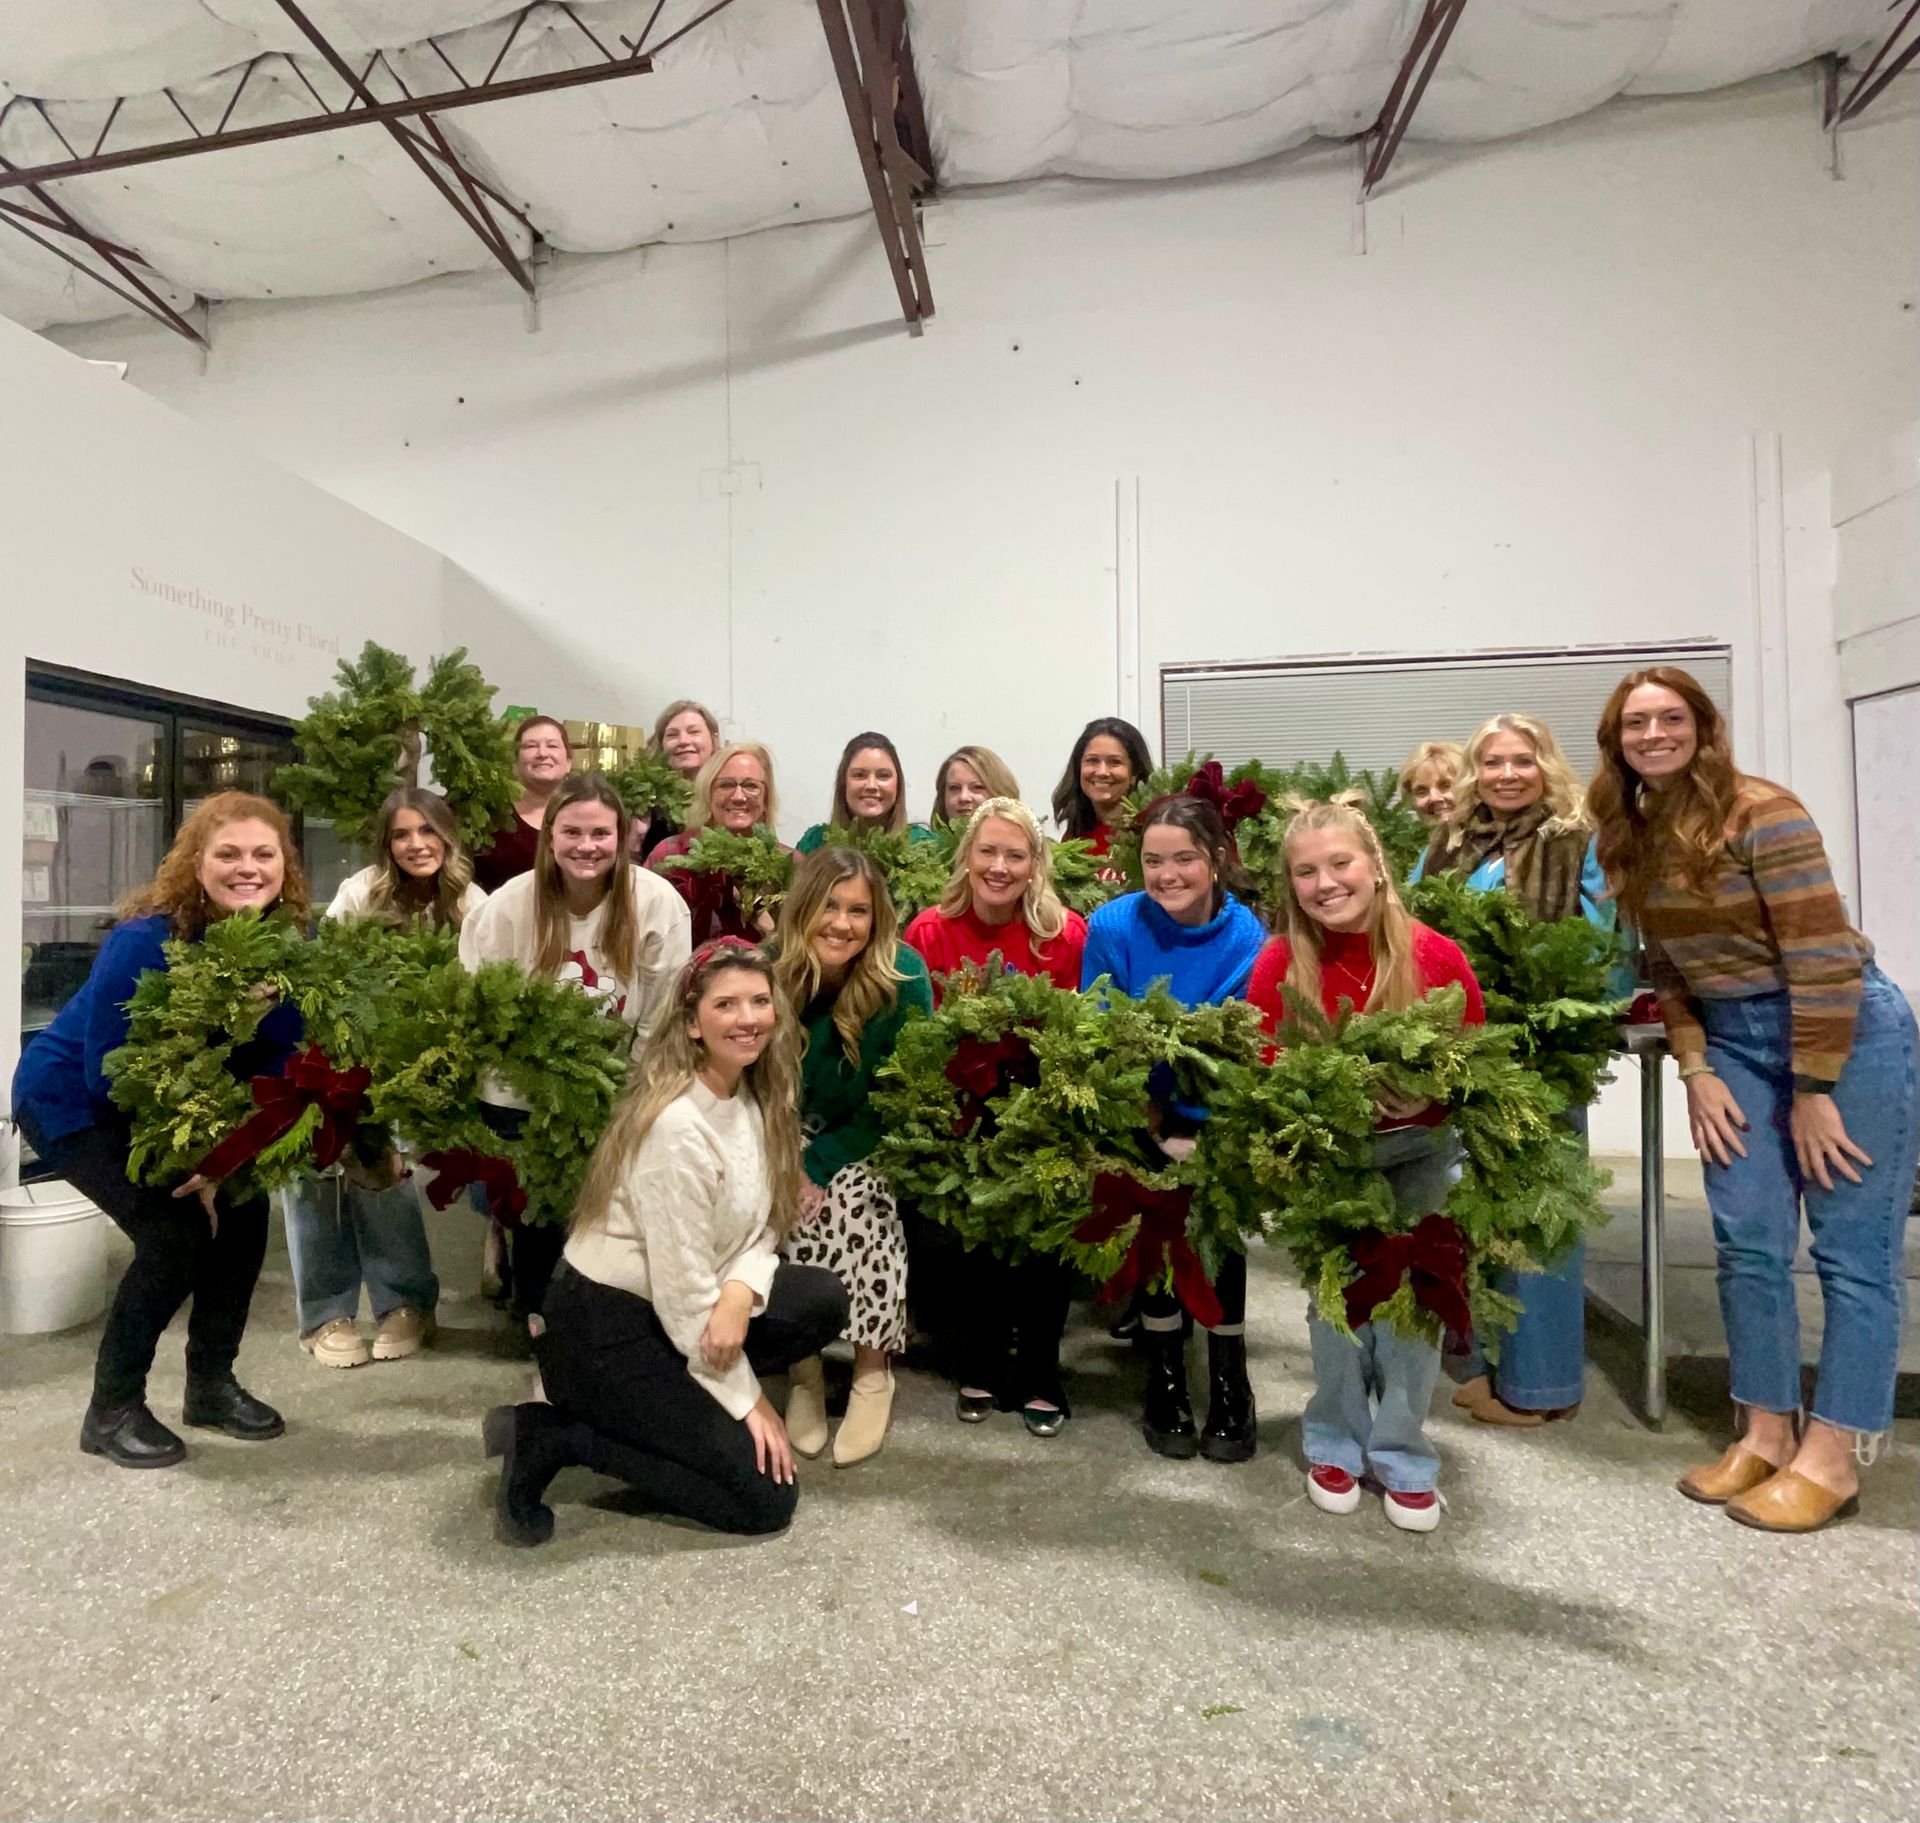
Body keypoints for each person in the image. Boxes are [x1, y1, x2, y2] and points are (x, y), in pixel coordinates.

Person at [1591, 666, 1919, 1533]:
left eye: (1669, 717)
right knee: (1748, 1240)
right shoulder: (1630, 827)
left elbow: (1818, 953)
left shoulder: (1762, 811)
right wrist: (1695, 1068)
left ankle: (1835, 1453)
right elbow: (1665, 967)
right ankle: (1765, 1429)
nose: (1653, 734)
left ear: (1703, 725)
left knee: (1854, 1253)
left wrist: (1814, 1088)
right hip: (1729, 1038)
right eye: (1635, 723)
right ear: (1615, 740)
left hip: (1842, 1028)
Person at [485, 940, 849, 1544]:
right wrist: (748, 1401)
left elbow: (766, 1226)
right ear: (692, 1023)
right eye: (726, 1004)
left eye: (760, 1001)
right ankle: (558, 1433)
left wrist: (739, 1291)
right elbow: (684, 1306)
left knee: (819, 1298)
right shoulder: (677, 1127)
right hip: (605, 1327)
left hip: (687, 1302)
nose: (748, 1018)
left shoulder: (753, 1097)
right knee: (765, 1500)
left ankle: (669, 1412)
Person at [10, 793, 307, 1469]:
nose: (246, 867)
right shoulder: (146, 941)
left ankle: (210, 1385)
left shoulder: (284, 954)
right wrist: (189, 1163)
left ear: (284, 867)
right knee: (173, 1233)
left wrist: (228, 1157)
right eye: (227, 853)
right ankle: (111, 1409)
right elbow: (110, 1075)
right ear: (195, 862)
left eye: (264, 854)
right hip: (72, 1101)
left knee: (244, 1210)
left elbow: (281, 1063)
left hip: (192, 1111)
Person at [1247, 797, 1485, 1534]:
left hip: (1421, 1153)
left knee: (1415, 1304)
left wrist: (1422, 1092)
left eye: (1340, 863)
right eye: (1306, 871)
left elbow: (1476, 1059)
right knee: (1337, 1302)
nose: (1326, 883)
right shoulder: (1283, 962)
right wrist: (1329, 1100)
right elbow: (1262, 1057)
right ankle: (1334, 1437)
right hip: (1334, 1160)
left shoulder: (1434, 955)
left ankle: (1405, 1450)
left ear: (1377, 866)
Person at [1415, 713, 1612, 1426]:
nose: (1505, 774)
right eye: (1492, 762)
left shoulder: (1576, 841)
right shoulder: (1452, 842)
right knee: (1483, 1208)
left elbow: (1599, 943)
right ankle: (1503, 1366)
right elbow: (1414, 925)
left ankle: (1543, 1386)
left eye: (1521, 760)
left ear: (1546, 766)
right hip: (1465, 1048)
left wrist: (1556, 1012)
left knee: (1540, 1211)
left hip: (1539, 1047)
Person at [459, 772, 692, 1322]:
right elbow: (480, 1002)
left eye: (600, 834)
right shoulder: (508, 906)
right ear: (550, 836)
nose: (587, 847)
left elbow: (663, 1012)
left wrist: (628, 1093)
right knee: (540, 1220)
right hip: (524, 1088)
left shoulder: (657, 903)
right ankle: (543, 1335)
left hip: (618, 1084)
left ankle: (608, 1329)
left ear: (623, 836)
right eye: (572, 832)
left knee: (609, 1220)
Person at [1080, 795, 1268, 1461]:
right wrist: (1147, 1116)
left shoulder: (1250, 938)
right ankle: (1163, 1369)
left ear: (1216, 859)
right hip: (1138, 1111)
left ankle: (1228, 1374)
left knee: (1216, 1225)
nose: (1167, 874)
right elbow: (1098, 1033)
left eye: (1184, 858)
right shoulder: (1111, 924)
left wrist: (1195, 1123)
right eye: (1153, 860)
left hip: (1217, 1113)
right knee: (1158, 1217)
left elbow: (1242, 1051)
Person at [904, 798, 1088, 1434]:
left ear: (1035, 864)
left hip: (1039, 1108)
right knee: (972, 1242)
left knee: (1042, 1242)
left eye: (1016, 855)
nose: (1000, 867)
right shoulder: (929, 930)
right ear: (967, 858)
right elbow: (915, 1028)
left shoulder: (1064, 935)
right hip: (957, 1110)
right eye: (989, 852)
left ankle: (1039, 1366)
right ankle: (981, 1359)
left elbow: (1078, 1031)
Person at [286, 788, 484, 1370]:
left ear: (448, 837)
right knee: (318, 1164)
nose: (416, 845)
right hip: (351, 1046)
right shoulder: (360, 893)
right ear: (386, 842)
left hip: (425, 1058)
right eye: (402, 834)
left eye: (428, 832)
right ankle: (325, 1314)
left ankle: (404, 1304)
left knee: (388, 1169)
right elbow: (329, 970)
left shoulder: (473, 901)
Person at [768, 848, 934, 1464]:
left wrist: (819, 1165)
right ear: (803, 910)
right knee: (776, 1203)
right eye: (829, 907)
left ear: (877, 918)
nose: (841, 923)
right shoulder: (769, 971)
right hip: (780, 1132)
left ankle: (871, 1368)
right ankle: (804, 1369)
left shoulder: (904, 978)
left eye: (858, 911)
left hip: (873, 1133)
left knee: (856, 1199)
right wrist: (789, 1164)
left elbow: (898, 1099)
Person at [649, 742, 790, 942]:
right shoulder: (671, 854)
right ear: (708, 793)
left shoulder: (787, 864)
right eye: (726, 785)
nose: (739, 797)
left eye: (751, 786)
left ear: (766, 798)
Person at [472, 714, 572, 892]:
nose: (542, 753)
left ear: (568, 763)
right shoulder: (487, 813)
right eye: (531, 746)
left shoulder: (585, 815)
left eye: (552, 745)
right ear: (515, 764)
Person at [796, 732, 936, 853]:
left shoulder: (923, 844)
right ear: (843, 783)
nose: (871, 786)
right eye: (859, 775)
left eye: (883, 776)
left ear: (898, 784)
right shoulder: (815, 844)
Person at [1051, 717, 1154, 860]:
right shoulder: (1073, 839)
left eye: (1115, 762)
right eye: (1092, 761)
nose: (1102, 772)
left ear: (1135, 774)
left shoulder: (1149, 833)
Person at [636, 698, 720, 863]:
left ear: (713, 739)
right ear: (661, 744)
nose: (683, 741)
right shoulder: (647, 800)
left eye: (694, 731)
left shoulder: (731, 795)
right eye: (672, 735)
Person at [929, 745, 1019, 826]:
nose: (964, 797)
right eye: (954, 788)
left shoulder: (1024, 843)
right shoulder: (922, 843)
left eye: (977, 787)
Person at [1398, 740, 1465, 828]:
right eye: (1422, 791)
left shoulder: (1486, 838)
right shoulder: (1438, 841)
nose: (1434, 798)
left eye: (1446, 786)